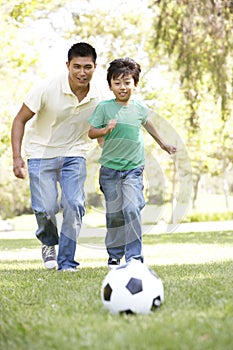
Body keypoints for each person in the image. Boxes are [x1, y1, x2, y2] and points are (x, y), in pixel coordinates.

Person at [11, 42, 108, 271]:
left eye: (87, 67)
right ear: (68, 65)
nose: (82, 73)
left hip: (75, 154)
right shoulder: (46, 88)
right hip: (40, 152)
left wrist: (117, 160)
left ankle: (67, 262)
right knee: (45, 208)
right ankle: (48, 242)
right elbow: (19, 120)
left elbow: (102, 134)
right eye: (77, 67)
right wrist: (17, 157)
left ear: (95, 67)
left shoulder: (100, 96)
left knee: (74, 204)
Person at [88, 57, 177, 268]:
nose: (122, 87)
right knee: (115, 215)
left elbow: (150, 127)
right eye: (117, 83)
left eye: (127, 82)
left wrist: (164, 145)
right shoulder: (104, 108)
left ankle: (135, 257)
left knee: (130, 209)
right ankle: (115, 255)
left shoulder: (139, 108)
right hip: (109, 170)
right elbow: (91, 132)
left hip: (133, 170)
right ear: (110, 85)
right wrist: (105, 130)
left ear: (135, 84)